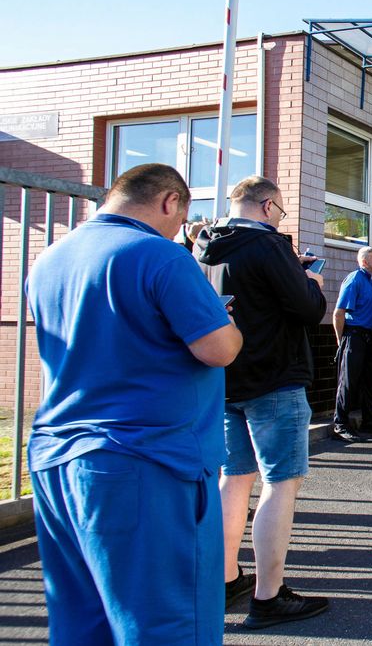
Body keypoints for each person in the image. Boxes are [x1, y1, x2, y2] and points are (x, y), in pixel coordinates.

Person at [25, 163, 243, 644]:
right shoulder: (160, 255)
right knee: (165, 624)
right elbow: (219, 348)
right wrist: (221, 318)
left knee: (85, 621)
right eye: (180, 218)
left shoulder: (50, 258)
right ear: (170, 202)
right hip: (146, 460)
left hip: (58, 457)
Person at [194, 175, 330, 629]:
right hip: (274, 377)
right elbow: (309, 309)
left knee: (234, 479)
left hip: (224, 379)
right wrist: (310, 277)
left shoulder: (206, 246)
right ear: (268, 206)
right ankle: (269, 596)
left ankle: (225, 577)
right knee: (281, 483)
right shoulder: (270, 247)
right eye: (282, 210)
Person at [332, 246, 372, 442]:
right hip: (354, 335)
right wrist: (340, 339)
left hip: (370, 336)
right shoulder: (355, 279)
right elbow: (339, 313)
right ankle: (340, 424)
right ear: (364, 262)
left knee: (368, 381)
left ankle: (368, 421)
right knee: (348, 382)